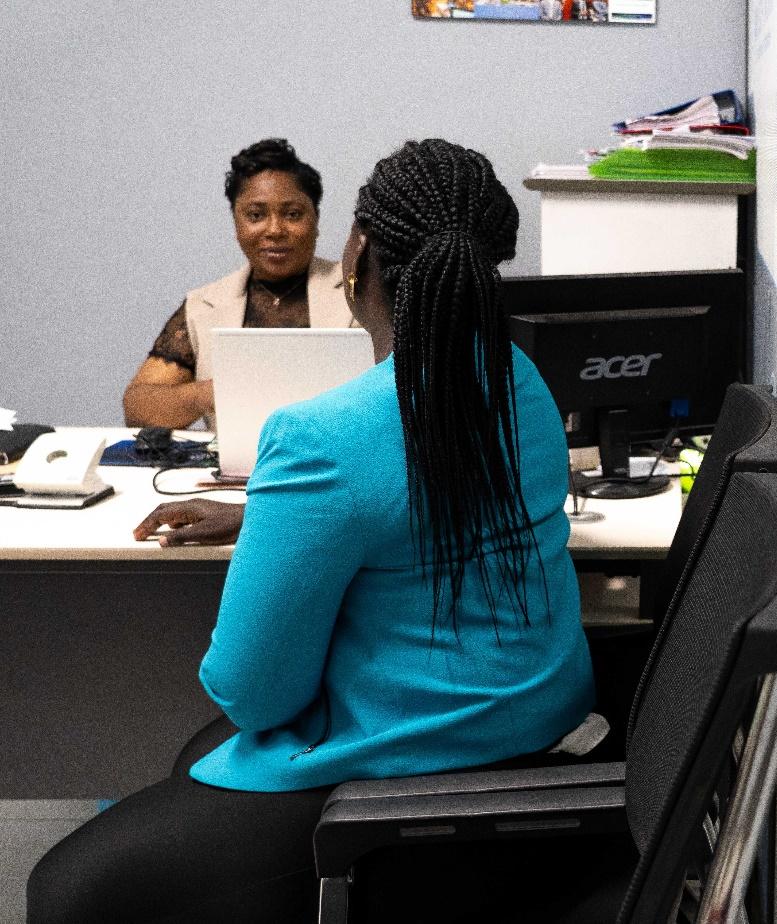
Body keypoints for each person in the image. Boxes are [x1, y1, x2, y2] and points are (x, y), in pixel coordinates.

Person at [29, 140, 596, 922]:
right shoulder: (521, 382)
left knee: (65, 890)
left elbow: (255, 695)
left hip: (406, 773)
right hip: (528, 731)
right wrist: (278, 513)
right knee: (197, 756)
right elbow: (423, 507)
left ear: (355, 253)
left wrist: (295, 508)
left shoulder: (321, 436)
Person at [123, 138, 354, 430]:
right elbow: (138, 407)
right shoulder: (205, 304)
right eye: (256, 215)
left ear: (316, 219)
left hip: (339, 454)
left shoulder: (360, 289)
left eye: (293, 214)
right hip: (236, 459)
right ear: (236, 223)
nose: (275, 230)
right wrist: (213, 393)